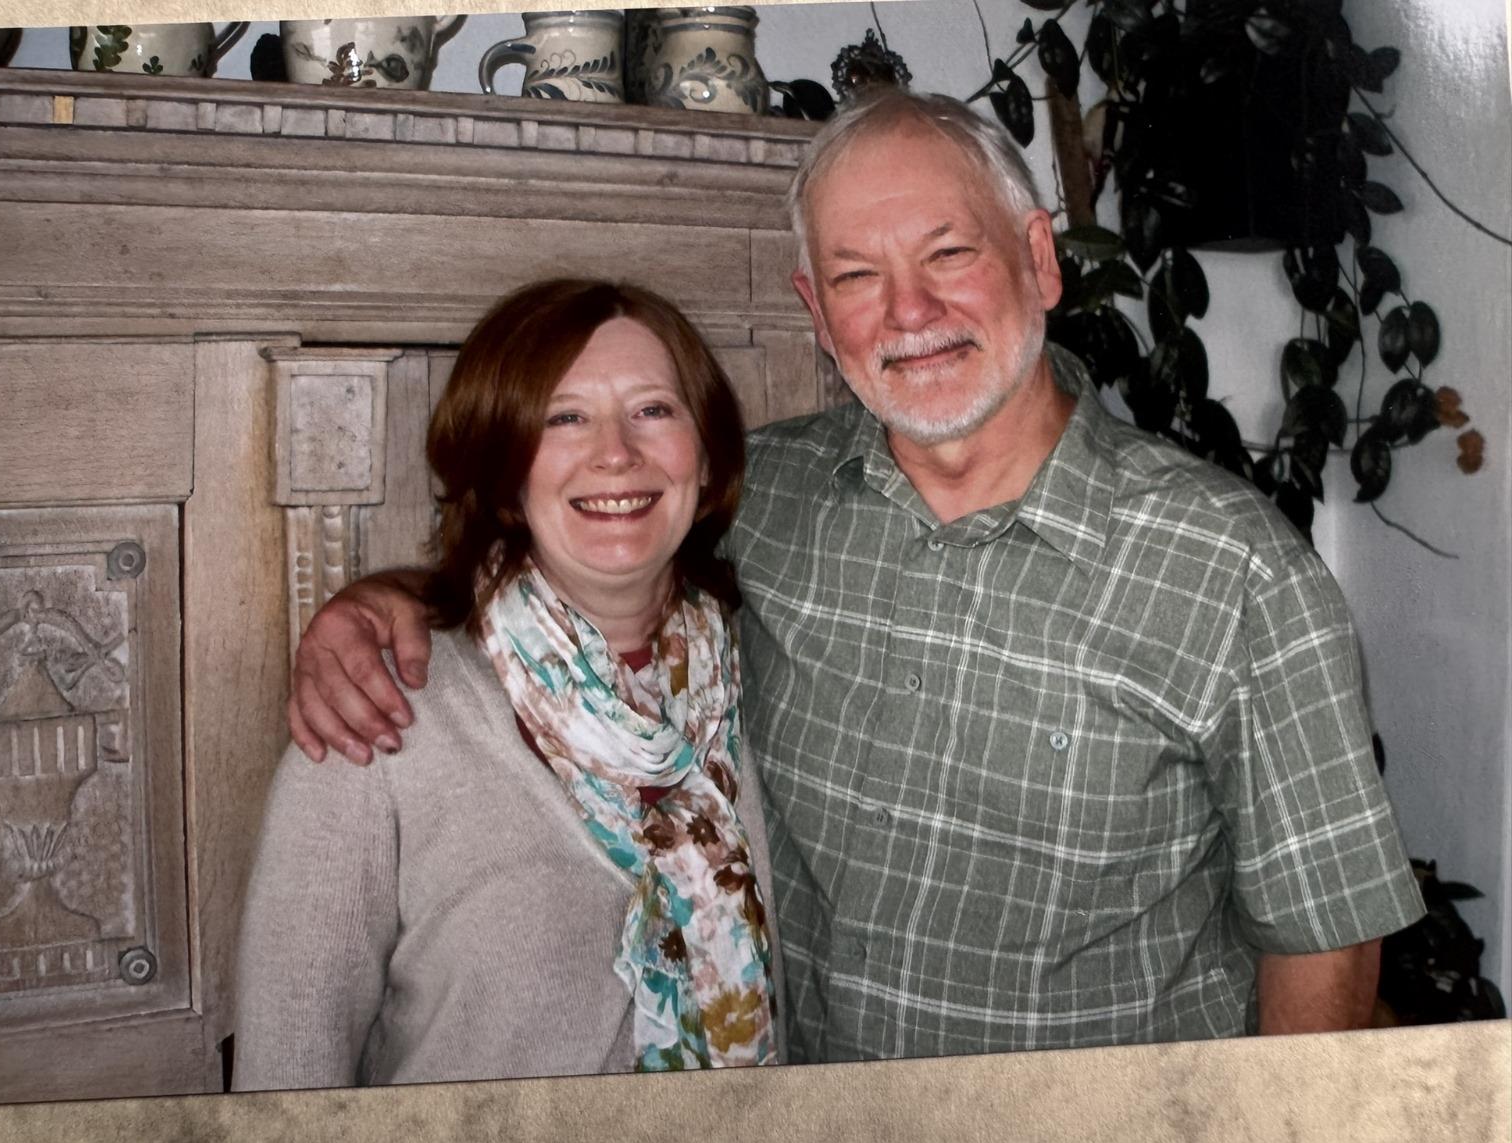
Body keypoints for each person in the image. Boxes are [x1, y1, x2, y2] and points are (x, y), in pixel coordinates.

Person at [281, 90, 1425, 1064]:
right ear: (816, 316)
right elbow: (583, 545)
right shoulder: (758, 499)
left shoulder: (1234, 569)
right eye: (856, 275)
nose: (909, 312)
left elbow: (1324, 938)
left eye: (948, 254)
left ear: (1037, 260)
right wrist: (384, 603)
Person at [234, 278, 781, 1090]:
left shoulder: (765, 673)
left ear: (705, 458)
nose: (616, 452)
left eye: (653, 410)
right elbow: (288, 1073)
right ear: (504, 475)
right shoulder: (381, 711)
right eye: (564, 418)